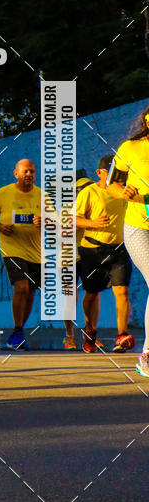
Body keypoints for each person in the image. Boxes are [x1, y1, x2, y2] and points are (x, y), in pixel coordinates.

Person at [75, 155, 133, 354]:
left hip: (118, 250)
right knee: (91, 294)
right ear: (99, 173)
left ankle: (121, 336)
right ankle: (89, 332)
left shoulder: (125, 192)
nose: (117, 178)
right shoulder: (89, 192)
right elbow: (75, 219)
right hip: (92, 251)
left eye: (120, 174)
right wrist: (93, 224)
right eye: (111, 173)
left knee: (122, 291)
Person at [0, 160, 42, 351]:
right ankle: (17, 329)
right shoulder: (4, 193)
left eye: (32, 171)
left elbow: (54, 220)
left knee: (31, 293)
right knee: (21, 286)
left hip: (36, 252)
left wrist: (45, 221)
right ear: (16, 173)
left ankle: (19, 330)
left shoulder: (42, 195)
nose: (29, 174)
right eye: (25, 171)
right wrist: (0, 227)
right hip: (12, 250)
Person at [109, 106, 149, 376]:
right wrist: (124, 192)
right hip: (138, 227)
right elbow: (112, 184)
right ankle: (147, 355)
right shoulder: (130, 148)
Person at [63, 171, 93, 350]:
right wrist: (81, 222)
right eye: (82, 190)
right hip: (68, 257)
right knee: (70, 297)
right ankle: (69, 336)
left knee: (92, 294)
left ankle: (90, 334)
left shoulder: (95, 207)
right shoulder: (67, 210)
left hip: (89, 255)